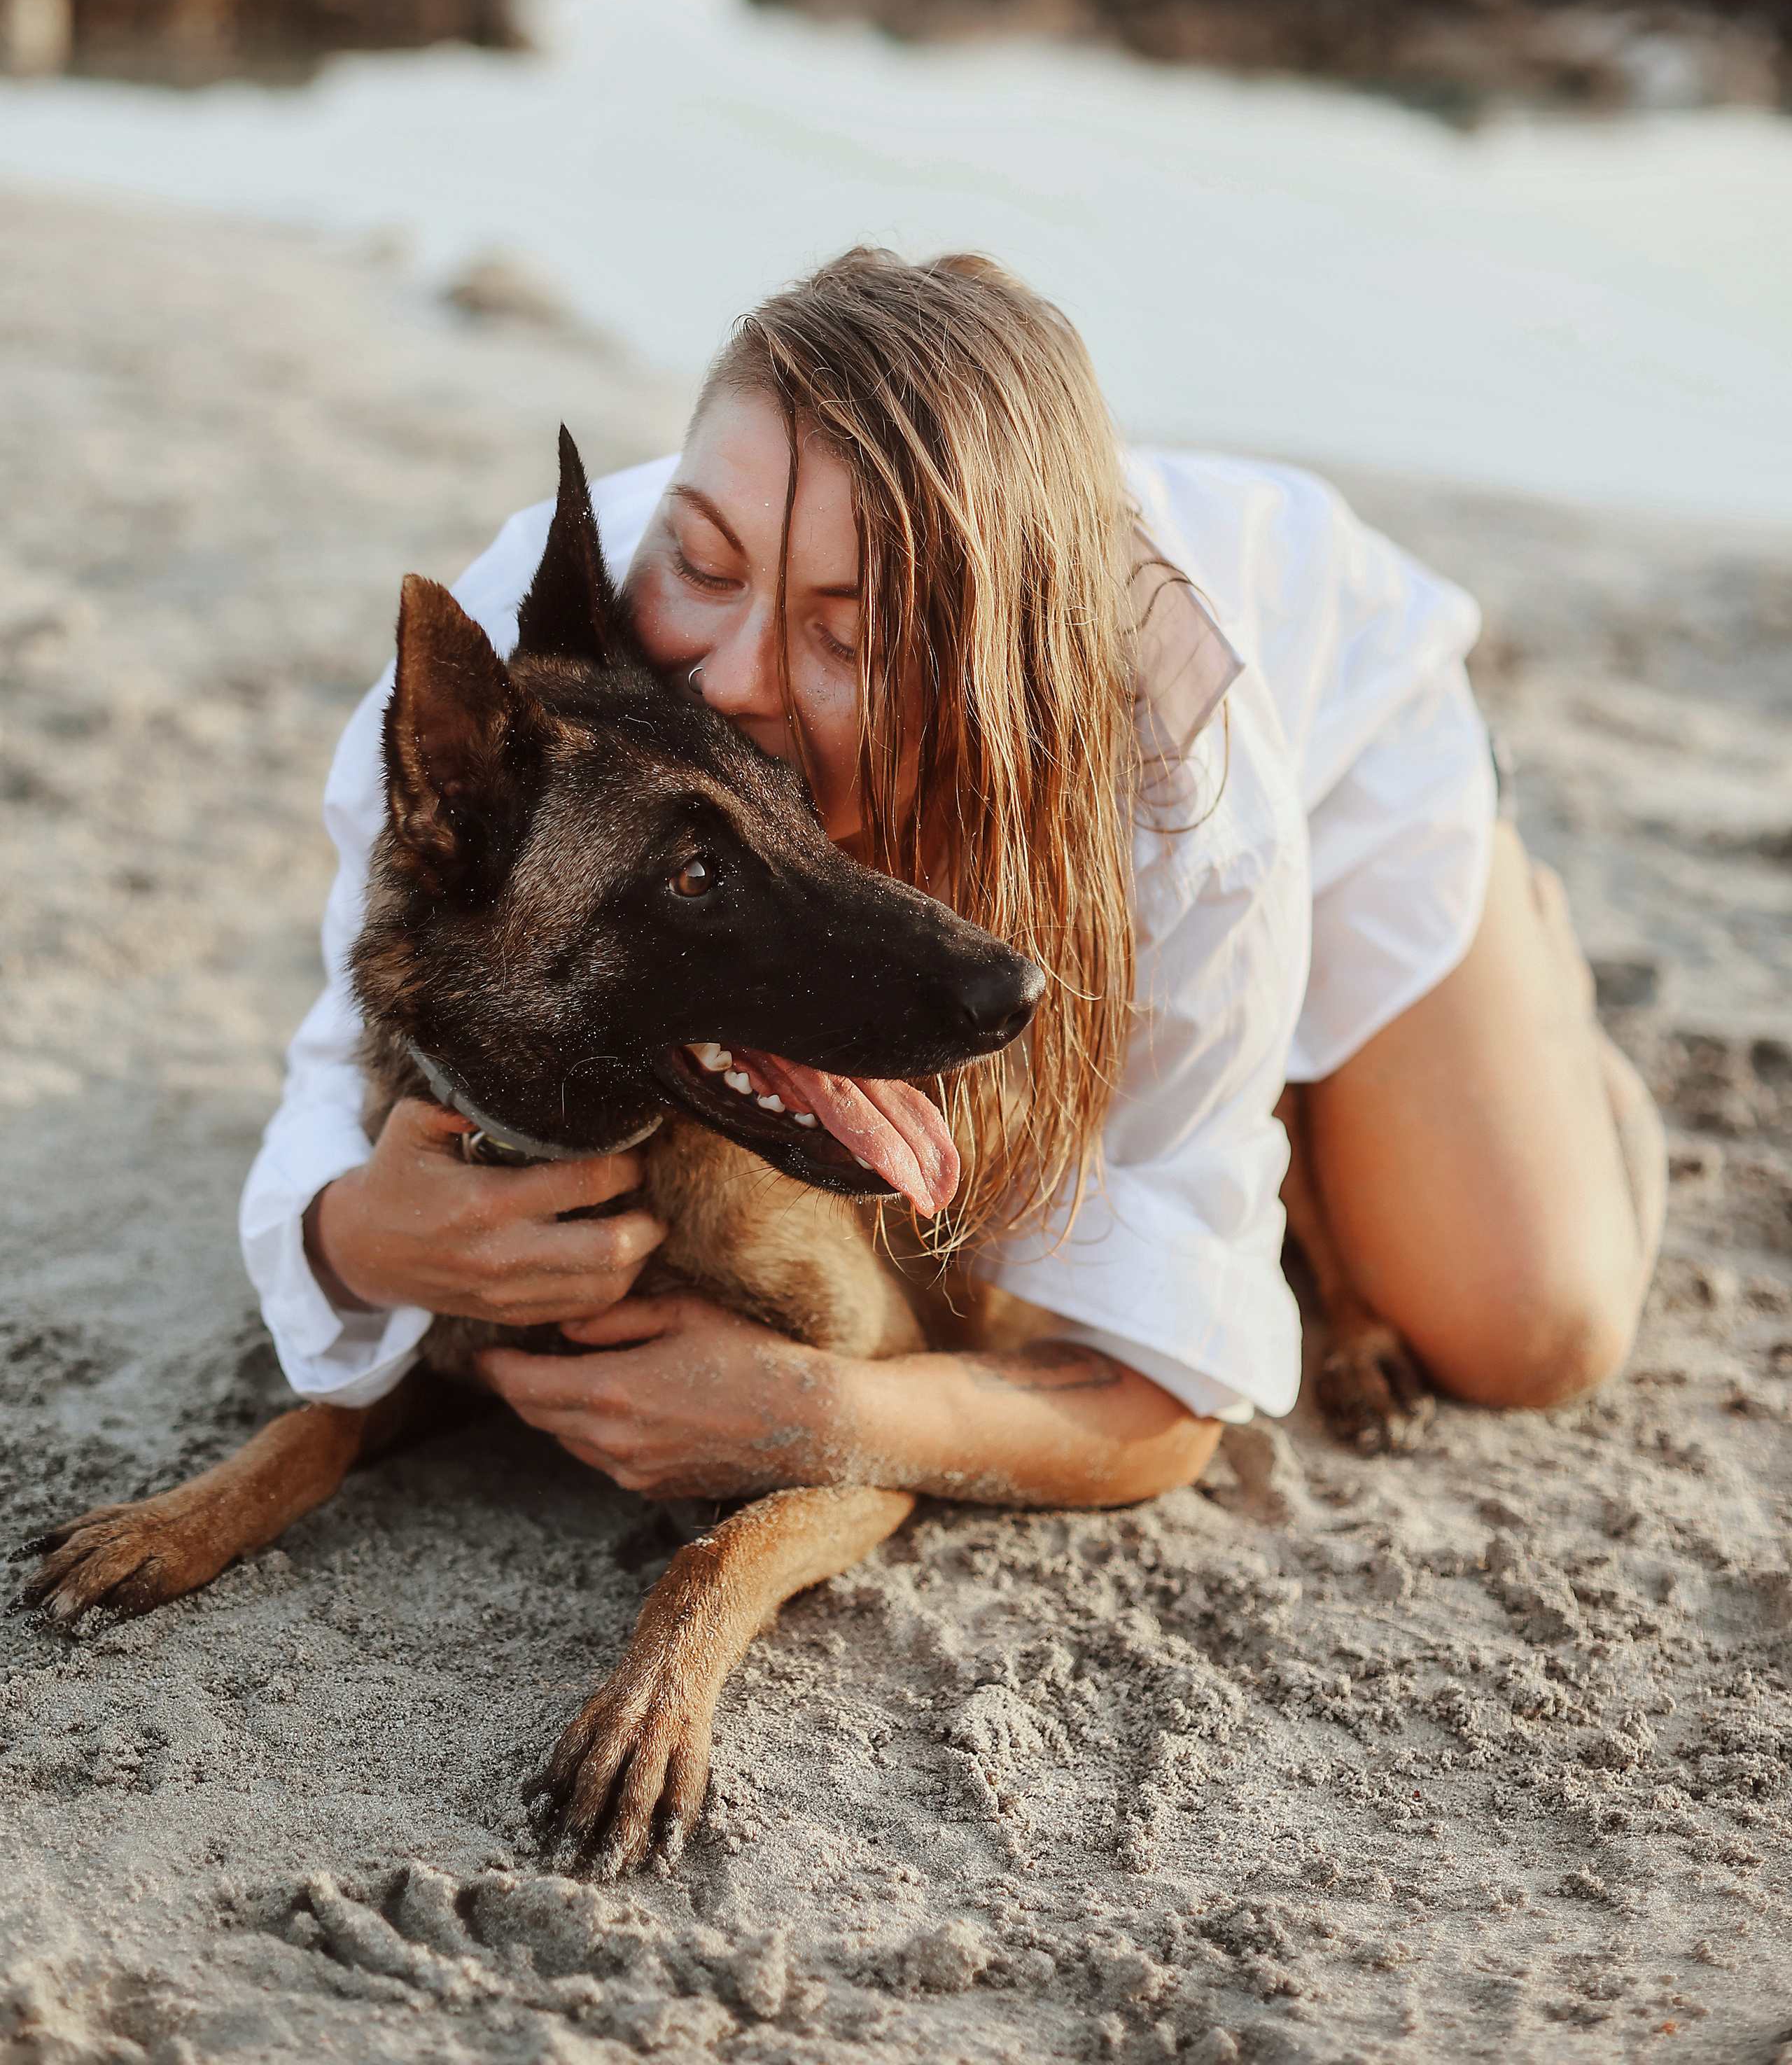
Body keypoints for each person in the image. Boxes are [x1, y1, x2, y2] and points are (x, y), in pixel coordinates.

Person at [241, 248, 1665, 1509]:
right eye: (703, 560)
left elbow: (1164, 1396)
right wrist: (358, 1238)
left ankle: (1501, 942)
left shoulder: (1189, 801)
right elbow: (339, 1063)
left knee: (1525, 1334)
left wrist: (821, 1416)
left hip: (1352, 743)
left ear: (982, 670)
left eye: (846, 640)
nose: (729, 683)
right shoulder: (525, 662)